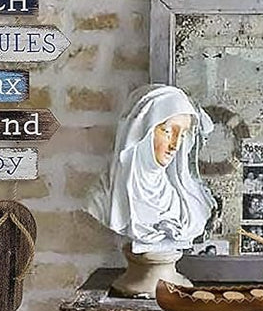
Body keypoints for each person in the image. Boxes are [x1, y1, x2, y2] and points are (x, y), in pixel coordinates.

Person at [87, 84, 215, 298]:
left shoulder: (189, 201)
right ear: (141, 131)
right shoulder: (103, 198)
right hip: (137, 279)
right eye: (168, 131)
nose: (175, 145)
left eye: (182, 135)